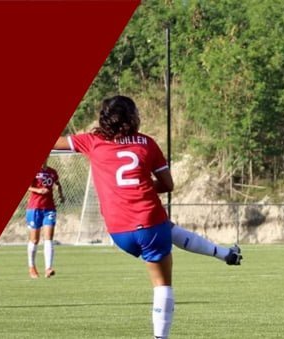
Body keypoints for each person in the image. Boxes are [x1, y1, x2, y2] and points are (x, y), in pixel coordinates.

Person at [51, 95, 240, 339]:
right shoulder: (146, 144)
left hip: (118, 231)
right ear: (132, 118)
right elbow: (168, 184)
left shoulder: (92, 141)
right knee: (162, 284)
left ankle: (226, 254)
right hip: (148, 222)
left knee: (169, 230)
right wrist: (142, 186)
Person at [26, 163, 63, 278]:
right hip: (34, 208)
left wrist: (61, 195)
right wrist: (38, 190)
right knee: (35, 240)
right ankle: (32, 267)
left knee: (48, 238)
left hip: (49, 209)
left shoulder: (52, 172)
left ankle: (48, 268)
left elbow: (58, 184)